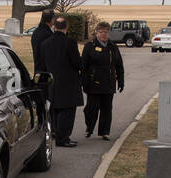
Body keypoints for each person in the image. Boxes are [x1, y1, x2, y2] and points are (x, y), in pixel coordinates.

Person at [40, 16, 83, 147]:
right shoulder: (70, 42)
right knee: (67, 112)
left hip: (52, 81)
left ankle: (56, 133)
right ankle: (63, 138)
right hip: (68, 81)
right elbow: (77, 63)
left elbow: (43, 63)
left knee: (55, 109)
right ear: (66, 27)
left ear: (54, 27)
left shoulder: (45, 43)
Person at [80, 21, 124, 140]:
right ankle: (89, 127)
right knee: (91, 108)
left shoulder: (113, 47)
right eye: (101, 32)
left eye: (105, 32)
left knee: (106, 108)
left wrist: (121, 81)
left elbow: (119, 65)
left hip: (109, 82)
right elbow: (83, 65)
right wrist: (83, 82)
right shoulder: (90, 46)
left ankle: (105, 132)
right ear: (96, 33)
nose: (103, 34)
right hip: (93, 82)